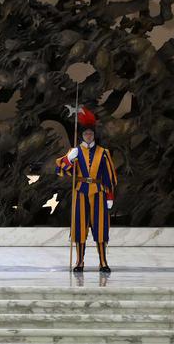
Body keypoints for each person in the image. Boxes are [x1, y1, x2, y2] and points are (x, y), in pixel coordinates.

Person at [55, 105, 118, 273]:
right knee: (79, 227)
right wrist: (69, 159)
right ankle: (79, 262)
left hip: (98, 191)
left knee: (100, 227)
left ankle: (103, 262)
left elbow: (109, 175)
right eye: (86, 134)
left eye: (90, 133)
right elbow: (60, 170)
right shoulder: (74, 151)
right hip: (80, 191)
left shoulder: (103, 152)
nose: (88, 136)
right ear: (82, 135)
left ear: (94, 135)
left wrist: (110, 196)